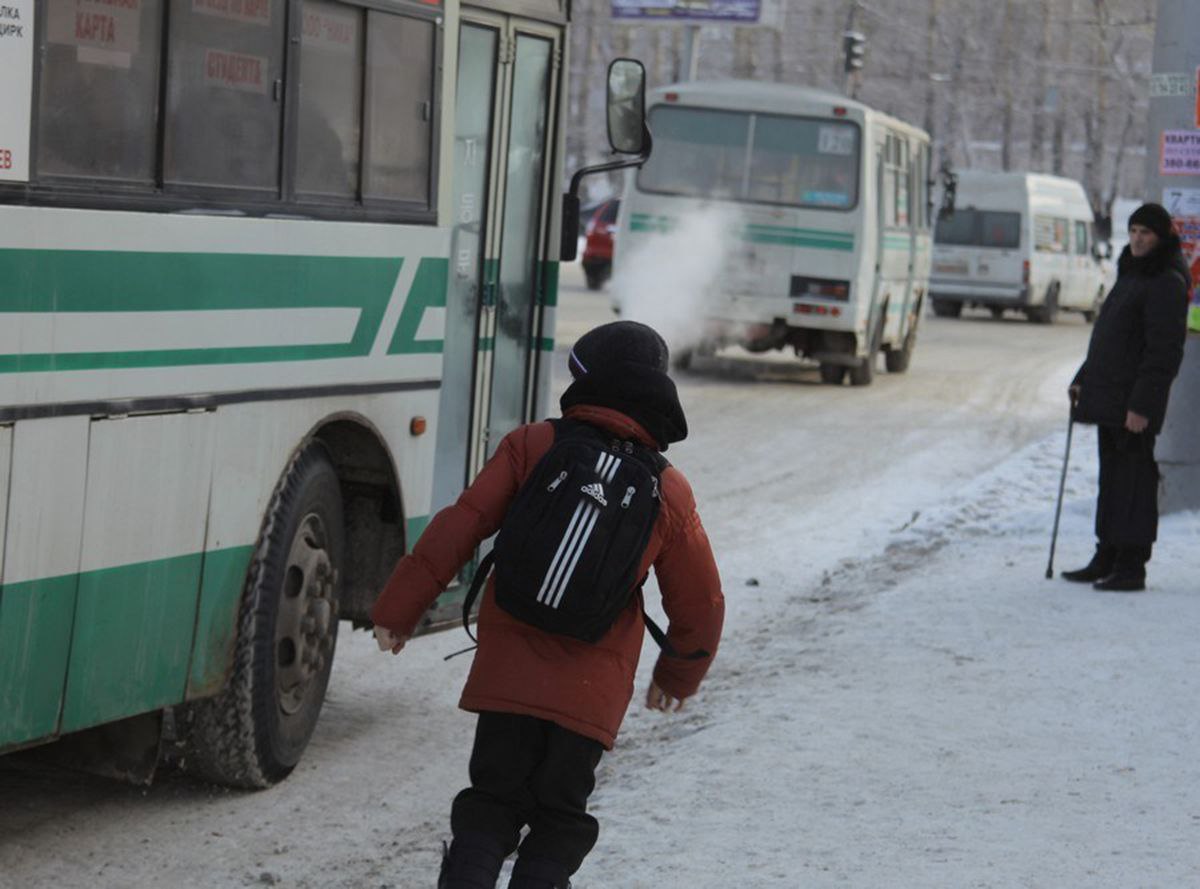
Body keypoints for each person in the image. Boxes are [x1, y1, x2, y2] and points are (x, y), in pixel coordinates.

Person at [370, 321, 725, 889]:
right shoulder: (668, 490)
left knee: (491, 802)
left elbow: (460, 525)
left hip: (508, 674)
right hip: (591, 695)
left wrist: (398, 610)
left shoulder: (533, 444)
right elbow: (702, 600)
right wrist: (677, 675)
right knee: (560, 818)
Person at [1064, 203, 1191, 591]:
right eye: (1133, 231)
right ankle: (1107, 553)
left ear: (1161, 237)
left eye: (1146, 233)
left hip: (1133, 404)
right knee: (1113, 478)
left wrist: (1142, 406)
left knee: (1134, 482)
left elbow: (1163, 353)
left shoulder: (1167, 282)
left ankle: (1131, 564)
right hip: (1109, 397)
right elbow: (1108, 338)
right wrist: (1083, 377)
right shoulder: (1131, 274)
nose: (1137, 239)